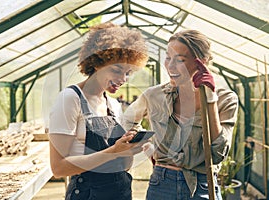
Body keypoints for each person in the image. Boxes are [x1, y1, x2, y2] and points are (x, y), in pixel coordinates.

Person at [123, 29, 238, 200]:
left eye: (180, 60)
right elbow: (128, 119)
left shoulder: (225, 99)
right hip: (161, 185)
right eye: (168, 57)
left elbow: (218, 154)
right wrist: (148, 146)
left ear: (202, 62)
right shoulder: (154, 95)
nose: (170, 66)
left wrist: (210, 99)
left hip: (202, 187)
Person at [48, 22, 148, 200]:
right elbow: (59, 168)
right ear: (96, 62)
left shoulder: (113, 105)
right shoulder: (70, 99)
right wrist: (113, 152)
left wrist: (129, 149)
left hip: (120, 193)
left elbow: (123, 166)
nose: (123, 79)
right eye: (117, 70)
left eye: (128, 73)